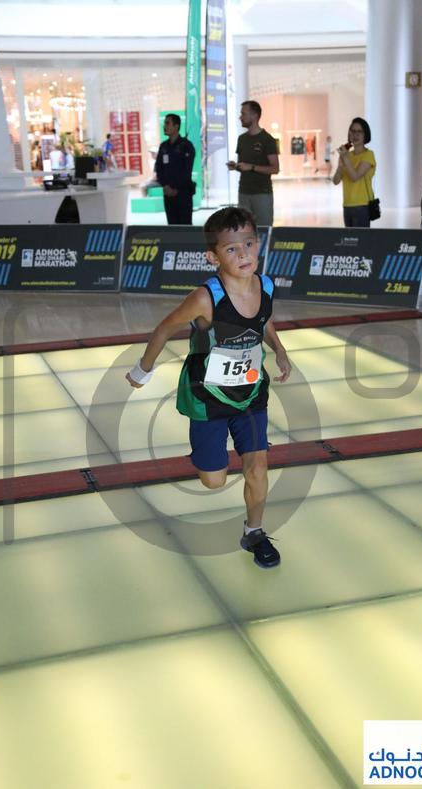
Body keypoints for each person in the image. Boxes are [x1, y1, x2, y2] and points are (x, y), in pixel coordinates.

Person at [125, 206, 291, 569]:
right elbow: (165, 328)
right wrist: (142, 370)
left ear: (259, 244)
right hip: (207, 398)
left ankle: (254, 532)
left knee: (257, 467)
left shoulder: (265, 285)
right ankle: (211, 454)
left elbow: (264, 320)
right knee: (213, 481)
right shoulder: (205, 298)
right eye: (231, 249)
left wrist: (279, 350)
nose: (243, 253)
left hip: (250, 393)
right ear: (212, 257)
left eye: (249, 244)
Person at [227, 101, 279, 226]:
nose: (240, 117)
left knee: (263, 229)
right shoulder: (242, 139)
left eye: (243, 114)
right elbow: (243, 166)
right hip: (243, 192)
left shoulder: (268, 140)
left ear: (254, 116)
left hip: (262, 193)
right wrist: (236, 166)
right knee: (244, 229)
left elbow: (275, 168)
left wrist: (252, 167)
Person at [332, 117, 376, 228]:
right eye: (353, 131)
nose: (355, 135)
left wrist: (345, 158)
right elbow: (335, 181)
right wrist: (340, 166)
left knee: (361, 238)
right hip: (347, 205)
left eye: (359, 131)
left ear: (365, 134)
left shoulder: (368, 155)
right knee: (349, 238)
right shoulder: (347, 155)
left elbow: (354, 177)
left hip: (362, 205)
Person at [154, 114, 196, 225]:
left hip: (183, 193)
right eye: (164, 123)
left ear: (176, 126)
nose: (164, 126)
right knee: (172, 227)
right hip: (168, 194)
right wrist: (165, 186)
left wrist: (176, 188)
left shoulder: (187, 146)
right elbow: (158, 168)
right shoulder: (163, 146)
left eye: (168, 123)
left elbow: (187, 171)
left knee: (185, 228)